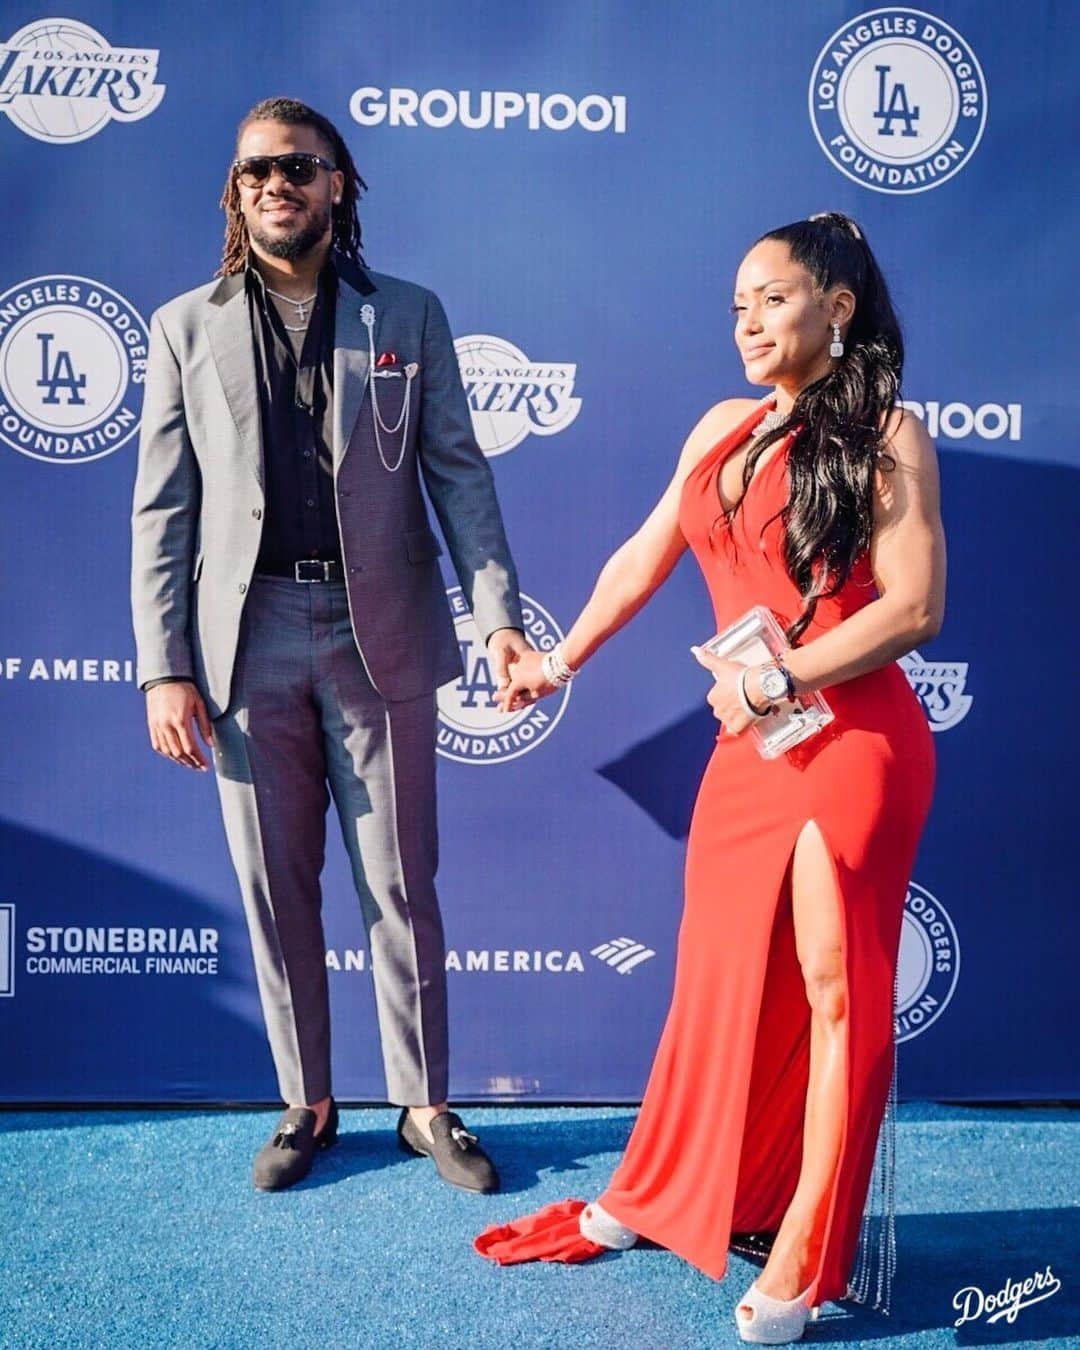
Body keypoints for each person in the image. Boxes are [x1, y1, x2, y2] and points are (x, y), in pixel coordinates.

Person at [482, 213, 944, 1342]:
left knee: (836, 995)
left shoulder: (889, 432)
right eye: (736, 302)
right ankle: (667, 1193)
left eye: (770, 298)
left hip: (853, 750)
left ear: (836, 307)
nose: (745, 319)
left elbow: (915, 607)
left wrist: (779, 677)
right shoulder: (721, 429)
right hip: (752, 751)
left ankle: (803, 1248)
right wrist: (554, 660)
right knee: (717, 986)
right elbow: (641, 557)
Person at [131, 97, 529, 1193]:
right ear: (233, 190)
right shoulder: (183, 327)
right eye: (256, 168)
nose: (277, 184)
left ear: (337, 185)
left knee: (402, 879)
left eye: (300, 167)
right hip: (244, 637)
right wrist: (165, 664)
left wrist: (495, 612)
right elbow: (162, 512)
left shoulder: (406, 314)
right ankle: (308, 1100)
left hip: (383, 631)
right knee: (275, 882)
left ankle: (425, 1103)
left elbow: (459, 473)